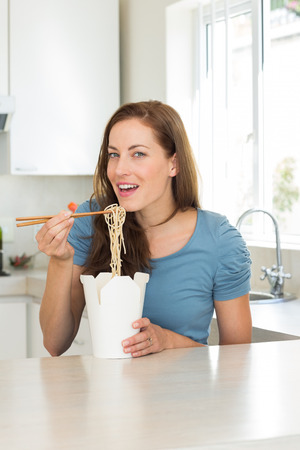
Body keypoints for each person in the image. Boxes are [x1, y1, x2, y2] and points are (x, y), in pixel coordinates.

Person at [37, 100, 252, 357]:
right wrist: (60, 260)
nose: (119, 170)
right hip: (110, 393)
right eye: (113, 154)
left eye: (138, 154)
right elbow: (54, 343)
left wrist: (168, 341)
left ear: (174, 164)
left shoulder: (220, 241)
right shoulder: (91, 221)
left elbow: (238, 358)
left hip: (189, 394)